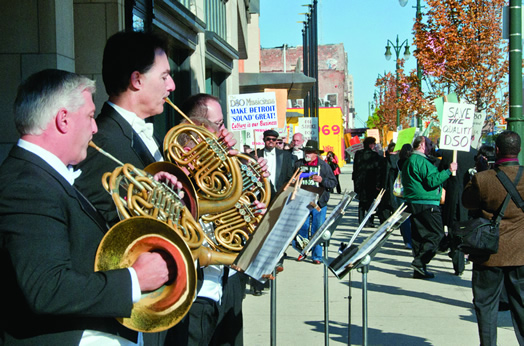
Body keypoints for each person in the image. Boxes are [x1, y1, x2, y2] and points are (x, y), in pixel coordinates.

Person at [74, 32, 237, 345]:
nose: (172, 86)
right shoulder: (105, 142)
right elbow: (109, 228)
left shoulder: (137, 137)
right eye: (164, 76)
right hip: (132, 305)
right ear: (137, 80)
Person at [0, 69, 171, 345]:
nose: (95, 128)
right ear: (63, 120)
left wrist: (149, 194)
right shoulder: (26, 185)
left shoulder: (43, 176)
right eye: (91, 117)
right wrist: (135, 279)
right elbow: (47, 288)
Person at [167, 93, 268, 345]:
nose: (225, 131)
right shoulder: (176, 163)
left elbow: (243, 203)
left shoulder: (223, 162)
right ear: (201, 126)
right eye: (220, 124)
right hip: (198, 292)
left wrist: (253, 206)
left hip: (229, 281)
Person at [463, 130, 524, 345]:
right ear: (518, 150)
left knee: (486, 305)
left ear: (497, 150)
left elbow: (468, 203)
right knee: (522, 305)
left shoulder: (483, 178)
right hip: (520, 253)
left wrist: (478, 173)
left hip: (489, 252)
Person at [402, 136, 457, 279]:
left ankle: (419, 268)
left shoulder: (410, 160)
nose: (432, 147)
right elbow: (432, 181)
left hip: (414, 202)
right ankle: (419, 262)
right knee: (437, 235)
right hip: (427, 202)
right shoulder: (421, 161)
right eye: (430, 144)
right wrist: (449, 171)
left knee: (419, 236)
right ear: (422, 145)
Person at [294, 140, 337, 264]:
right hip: (302, 202)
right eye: (306, 151)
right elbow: (291, 180)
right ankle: (303, 251)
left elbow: (333, 182)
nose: (307, 154)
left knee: (317, 229)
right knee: (303, 227)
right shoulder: (298, 164)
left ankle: (317, 256)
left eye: (310, 152)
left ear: (316, 154)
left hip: (319, 203)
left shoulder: (324, 166)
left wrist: (322, 180)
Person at [438, 146, 477, 276]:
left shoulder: (448, 153)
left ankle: (458, 260)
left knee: (454, 229)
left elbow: (441, 175)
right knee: (465, 230)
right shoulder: (474, 154)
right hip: (468, 198)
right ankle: (462, 256)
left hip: (452, 197)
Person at [255, 129, 296, 199]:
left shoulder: (285, 155)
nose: (271, 141)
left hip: (279, 194)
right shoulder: (255, 154)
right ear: (264, 140)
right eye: (268, 139)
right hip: (261, 194)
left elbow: (289, 176)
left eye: (273, 139)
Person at [352, 136, 383, 227]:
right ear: (370, 145)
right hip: (371, 182)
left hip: (360, 182)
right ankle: (370, 221)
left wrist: (355, 181)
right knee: (370, 202)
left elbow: (355, 168)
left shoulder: (358, 154)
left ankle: (361, 220)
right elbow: (378, 170)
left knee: (361, 202)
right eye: (374, 144)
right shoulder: (375, 155)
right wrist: (378, 183)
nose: (374, 145)